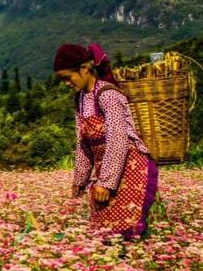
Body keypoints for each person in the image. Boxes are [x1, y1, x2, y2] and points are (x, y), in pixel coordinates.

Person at [53, 42, 158, 240]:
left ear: (85, 68)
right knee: (104, 233)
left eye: (68, 77)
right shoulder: (80, 99)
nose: (67, 83)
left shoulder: (108, 94)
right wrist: (79, 180)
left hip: (131, 169)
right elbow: (83, 145)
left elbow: (118, 140)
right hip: (107, 171)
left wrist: (107, 183)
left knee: (126, 230)